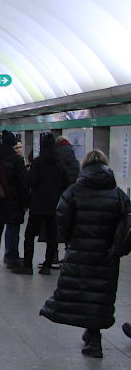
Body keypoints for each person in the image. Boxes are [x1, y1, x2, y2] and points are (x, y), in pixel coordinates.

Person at [39, 150, 131, 358]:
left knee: (83, 292)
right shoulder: (117, 194)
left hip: (80, 252)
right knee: (99, 296)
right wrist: (117, 248)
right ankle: (93, 337)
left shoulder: (74, 192)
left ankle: (93, 339)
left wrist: (71, 239)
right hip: (106, 255)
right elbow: (127, 223)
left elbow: (61, 217)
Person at [19, 132, 69, 275]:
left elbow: (30, 181)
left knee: (30, 235)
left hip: (38, 205)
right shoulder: (59, 164)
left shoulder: (38, 162)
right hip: (54, 205)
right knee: (52, 236)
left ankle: (28, 265)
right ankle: (47, 265)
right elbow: (66, 183)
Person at [0, 131, 28, 269]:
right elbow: (22, 182)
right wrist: (25, 202)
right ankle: (12, 258)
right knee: (13, 228)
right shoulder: (16, 159)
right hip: (13, 199)